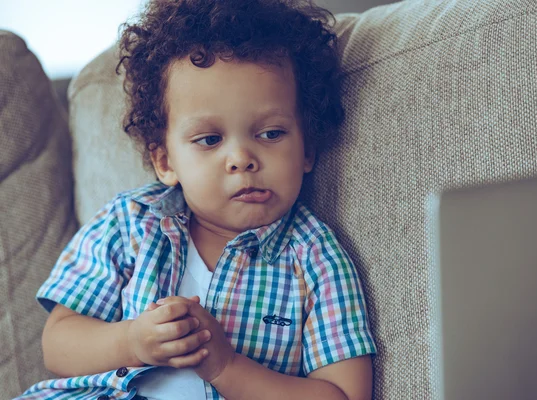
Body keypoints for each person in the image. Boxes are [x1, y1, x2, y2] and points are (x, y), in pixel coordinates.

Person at [18, 0, 377, 399]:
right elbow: (58, 345)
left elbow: (344, 395)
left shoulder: (316, 260)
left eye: (271, 133)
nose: (242, 159)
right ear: (165, 161)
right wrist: (133, 341)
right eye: (210, 140)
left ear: (307, 149)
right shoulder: (130, 221)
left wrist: (227, 367)